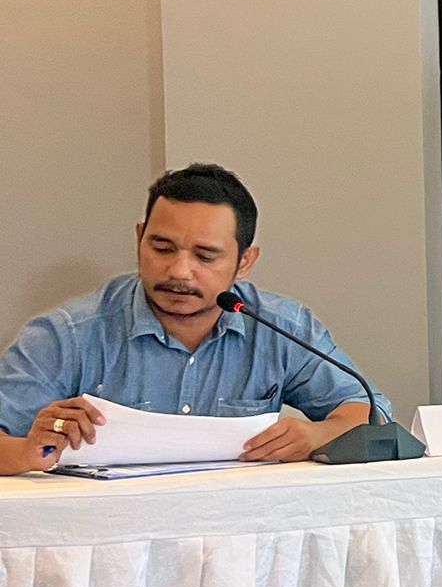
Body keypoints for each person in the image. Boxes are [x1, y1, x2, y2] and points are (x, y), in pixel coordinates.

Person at [0, 163, 387, 476]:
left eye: (205, 256)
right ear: (140, 238)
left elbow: (370, 413)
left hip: (238, 530)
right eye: (162, 248)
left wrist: (319, 434)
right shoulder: (68, 334)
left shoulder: (280, 327)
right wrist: (29, 452)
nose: (179, 271)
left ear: (245, 262)